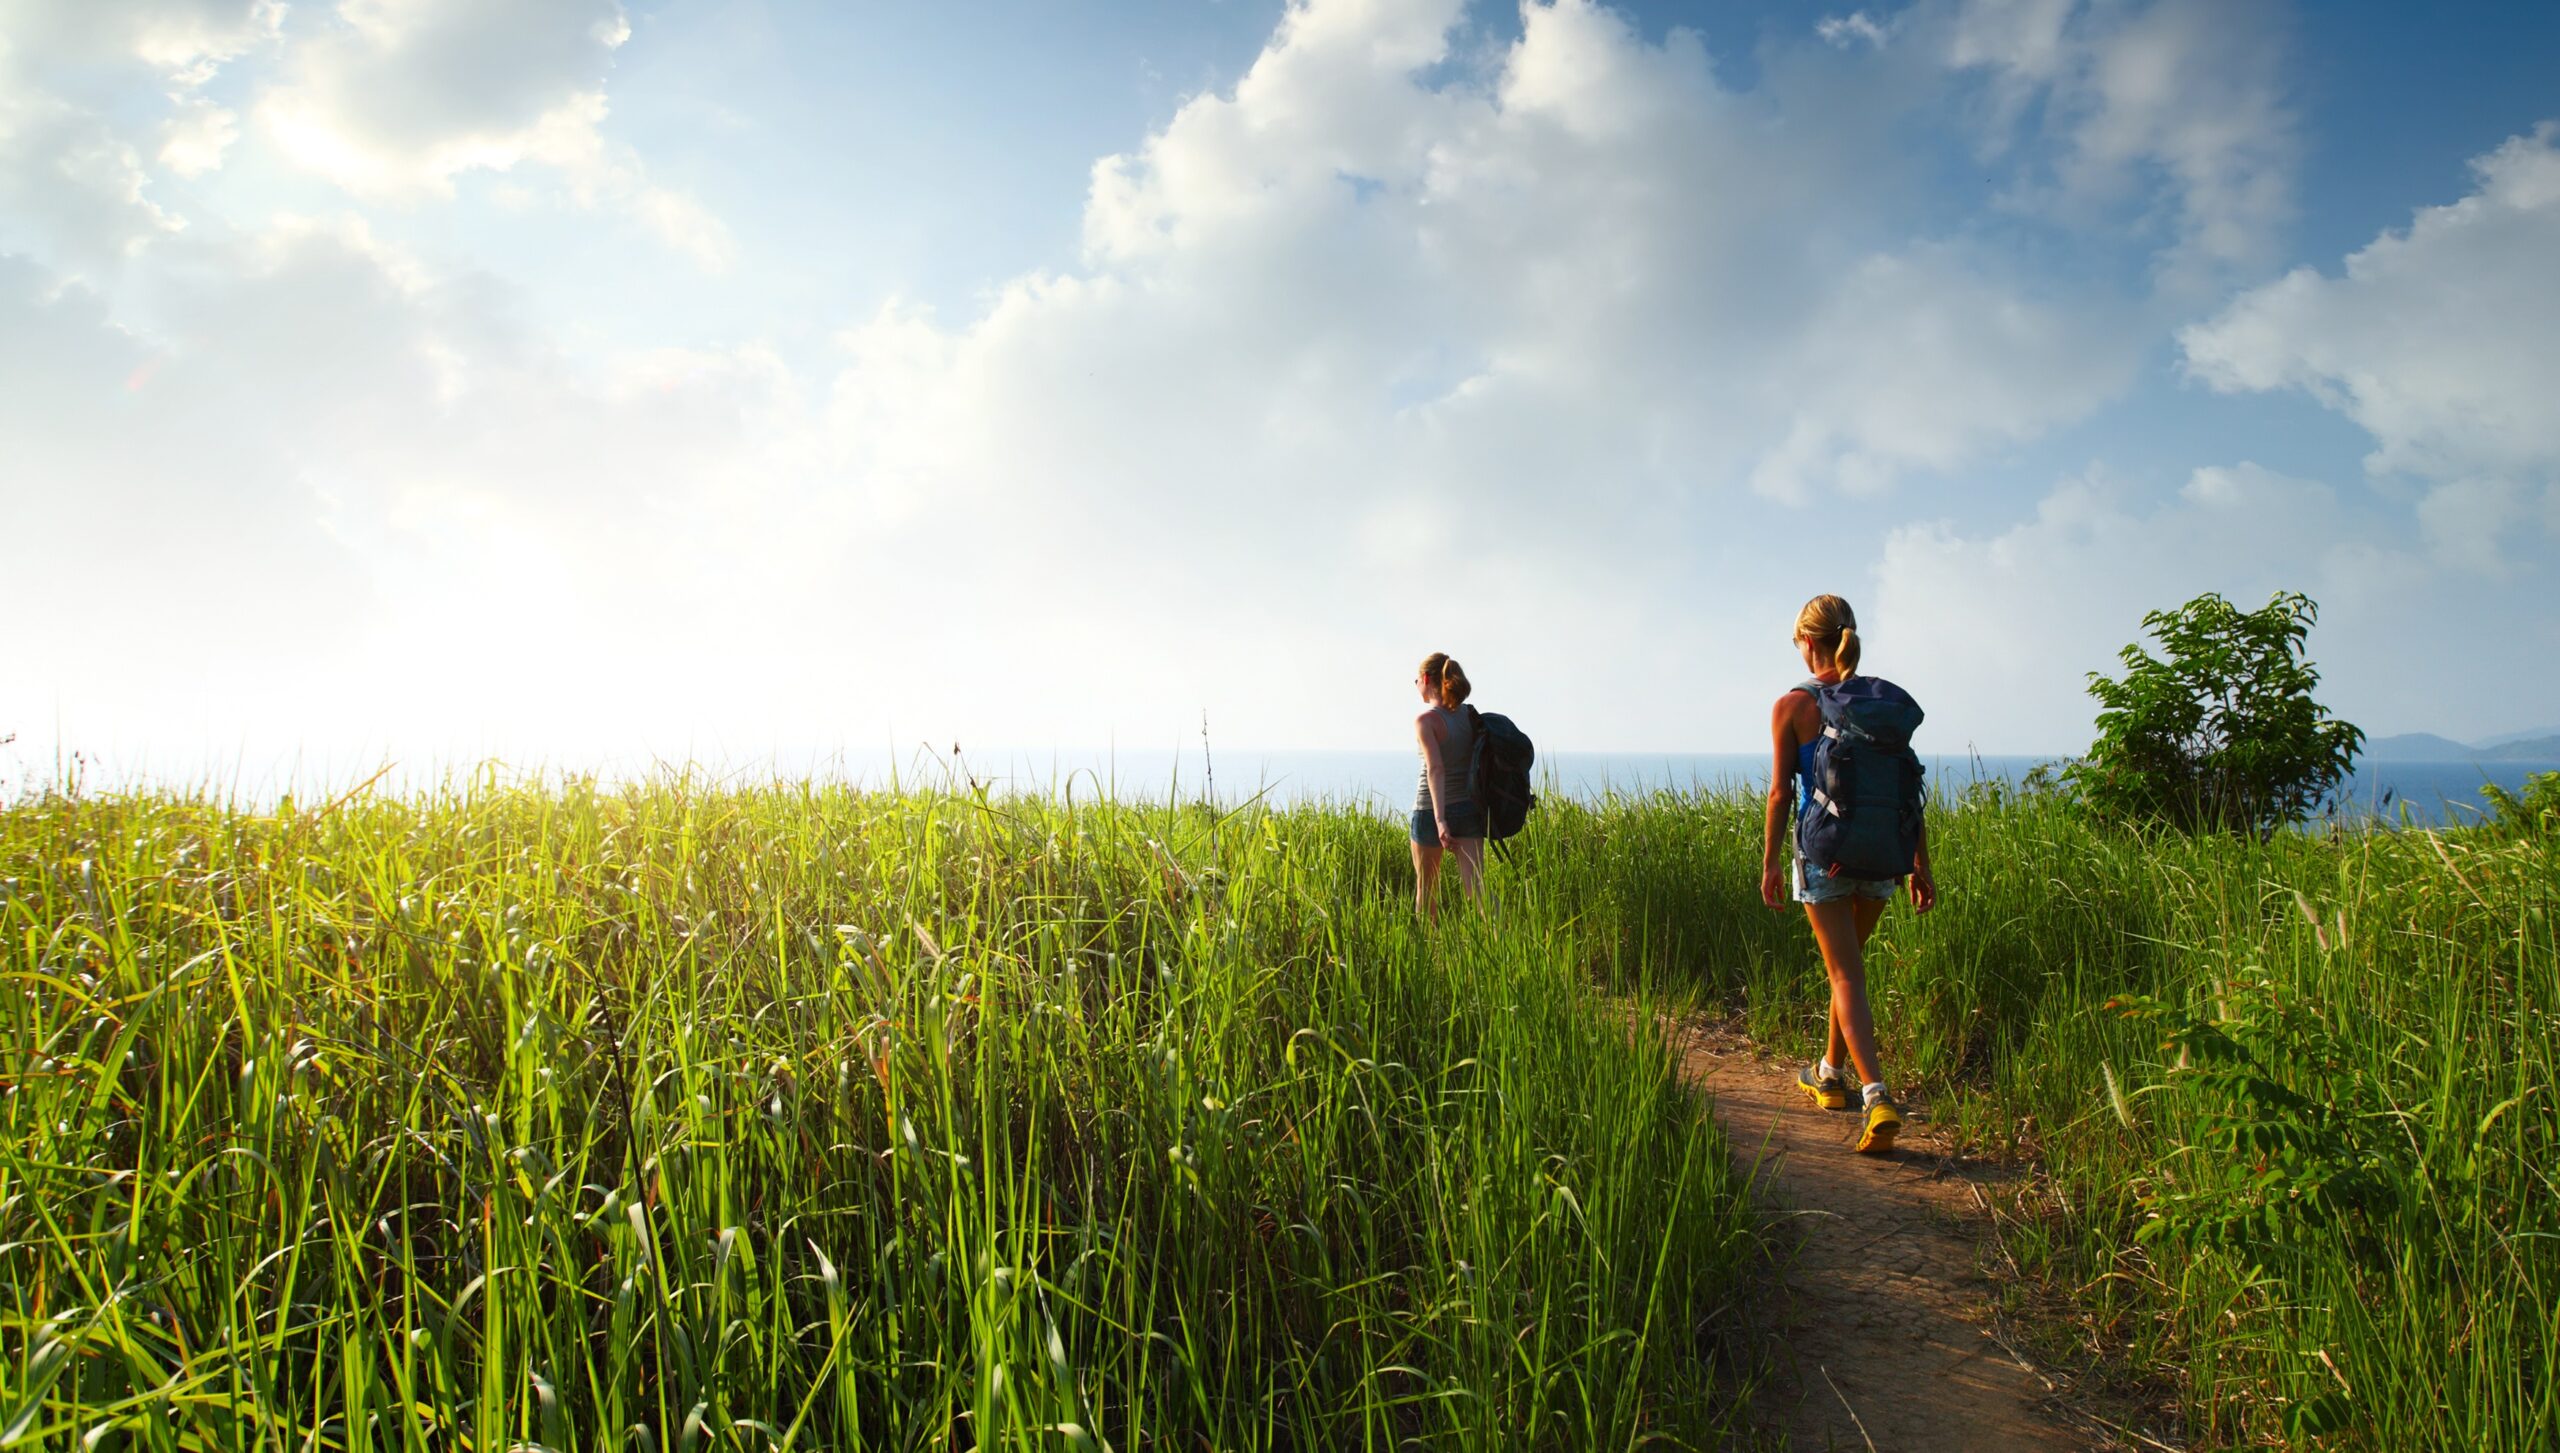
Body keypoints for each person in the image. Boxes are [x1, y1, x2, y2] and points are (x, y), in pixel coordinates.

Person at [1758, 595, 1938, 1153]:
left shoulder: (1793, 705)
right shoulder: (1879, 703)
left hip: (1823, 858)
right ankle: (1828, 1075)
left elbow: (1781, 792)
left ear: (1807, 643)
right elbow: (1908, 790)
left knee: (1846, 978)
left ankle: (1877, 1095)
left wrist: (1768, 864)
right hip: (1883, 856)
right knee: (1850, 971)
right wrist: (1919, 863)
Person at [1412, 652, 1486, 919]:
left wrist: (1440, 819)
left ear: (1426, 678)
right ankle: (1504, 943)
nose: (1416, 685)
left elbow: (1435, 768)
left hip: (1429, 812)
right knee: (1477, 890)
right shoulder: (1469, 716)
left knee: (1426, 889)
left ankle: (1429, 955)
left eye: (1416, 680)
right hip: (1467, 809)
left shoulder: (1426, 720)